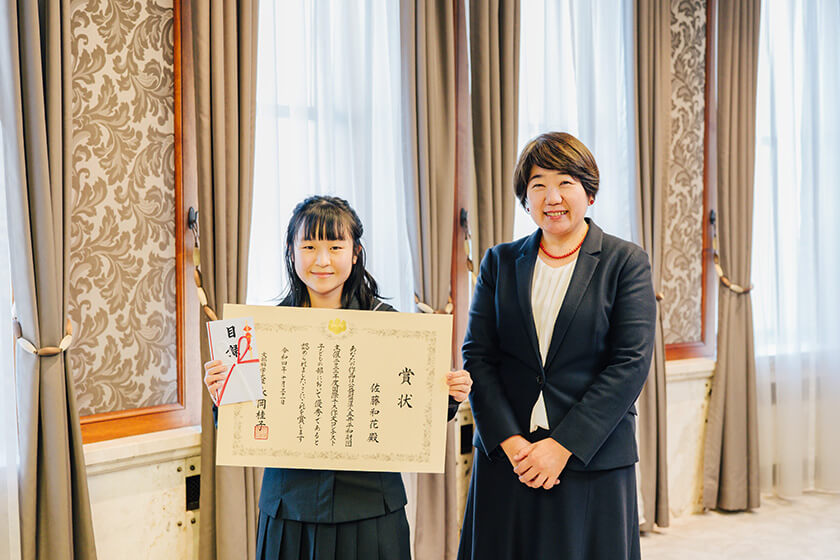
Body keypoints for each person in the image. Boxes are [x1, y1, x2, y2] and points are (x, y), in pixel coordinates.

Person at [204, 195, 472, 560]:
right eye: (309, 246)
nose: (322, 260)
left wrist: (450, 394)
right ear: (291, 251)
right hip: (289, 510)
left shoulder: (392, 326)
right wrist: (223, 391)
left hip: (370, 509)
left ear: (356, 252)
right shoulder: (262, 333)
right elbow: (240, 424)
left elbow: (416, 411)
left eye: (335, 245)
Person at [457, 132, 656, 560]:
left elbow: (631, 363)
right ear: (525, 199)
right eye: (538, 184)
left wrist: (562, 446)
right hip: (509, 457)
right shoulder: (500, 261)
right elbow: (478, 356)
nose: (553, 196)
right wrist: (511, 443)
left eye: (566, 182)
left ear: (589, 191)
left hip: (590, 457)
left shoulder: (626, 262)